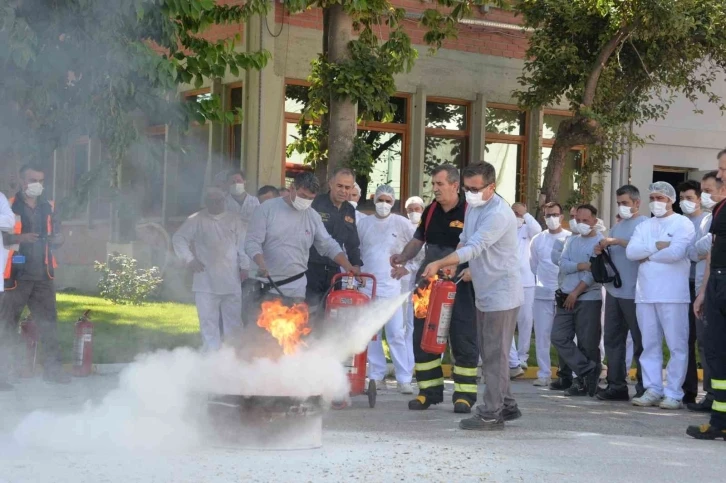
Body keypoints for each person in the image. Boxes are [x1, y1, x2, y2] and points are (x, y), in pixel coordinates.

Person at [422, 161, 523, 430]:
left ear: (492, 187)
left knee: (493, 354)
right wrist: (453, 263)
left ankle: (491, 413)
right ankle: (508, 404)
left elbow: (476, 247)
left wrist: (440, 262)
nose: (470, 193)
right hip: (485, 290)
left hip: (501, 293)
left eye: (476, 188)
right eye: (467, 188)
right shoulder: (475, 208)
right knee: (494, 351)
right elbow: (465, 239)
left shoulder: (499, 213)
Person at [390, 164, 479, 414]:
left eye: (439, 184)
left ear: (454, 185)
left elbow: (482, 246)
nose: (435, 189)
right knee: (423, 337)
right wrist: (402, 257)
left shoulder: (471, 212)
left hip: (460, 284)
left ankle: (464, 395)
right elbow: (418, 241)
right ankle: (428, 392)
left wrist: (473, 270)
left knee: (463, 338)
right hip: (428, 284)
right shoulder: (430, 211)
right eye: (433, 184)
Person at [0, 165, 70, 389]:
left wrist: (58, 239)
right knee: (6, 325)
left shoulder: (49, 206)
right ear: (22, 181)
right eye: (32, 179)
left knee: (49, 324)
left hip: (43, 274)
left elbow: (58, 235)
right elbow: (4, 239)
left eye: (40, 180)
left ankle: (53, 370)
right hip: (16, 274)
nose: (36, 184)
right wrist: (23, 238)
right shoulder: (9, 206)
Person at [627, 181, 694, 409]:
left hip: (673, 294)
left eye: (661, 198)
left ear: (671, 200)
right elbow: (631, 252)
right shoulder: (644, 225)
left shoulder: (682, 223)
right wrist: (658, 246)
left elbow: (676, 252)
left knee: (677, 345)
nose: (656, 202)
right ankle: (653, 389)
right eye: (653, 198)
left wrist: (647, 252)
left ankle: (674, 392)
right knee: (649, 344)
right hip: (645, 294)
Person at [245, 172, 360, 303]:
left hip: (295, 289)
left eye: (310, 198)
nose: (306, 201)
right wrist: (260, 263)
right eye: (303, 196)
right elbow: (252, 242)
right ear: (292, 188)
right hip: (264, 286)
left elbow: (328, 245)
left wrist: (347, 265)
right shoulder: (267, 209)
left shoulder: (313, 216)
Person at [172, 187, 247, 351]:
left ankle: (233, 356)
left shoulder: (234, 219)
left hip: (231, 278)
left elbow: (243, 245)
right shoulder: (196, 219)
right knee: (207, 321)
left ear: (224, 201)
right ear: (206, 203)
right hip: (205, 280)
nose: (216, 204)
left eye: (219, 200)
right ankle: (211, 359)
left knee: (233, 322)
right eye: (212, 201)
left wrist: (245, 266)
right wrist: (189, 259)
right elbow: (179, 238)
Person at [359, 185, 414, 394]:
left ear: (394, 202)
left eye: (388, 201)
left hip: (392, 288)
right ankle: (376, 376)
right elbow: (354, 251)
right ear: (374, 200)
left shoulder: (402, 223)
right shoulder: (363, 224)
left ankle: (404, 378)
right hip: (368, 286)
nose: (384, 204)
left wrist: (406, 268)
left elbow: (418, 248)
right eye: (380, 199)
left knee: (396, 334)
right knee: (372, 335)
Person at [594, 185, 647, 401]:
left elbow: (643, 248)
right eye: (619, 203)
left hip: (636, 293)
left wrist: (615, 242)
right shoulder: (617, 227)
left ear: (636, 203)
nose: (622, 207)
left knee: (640, 341)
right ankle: (616, 385)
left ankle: (646, 385)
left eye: (625, 203)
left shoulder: (644, 224)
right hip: (615, 291)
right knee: (613, 340)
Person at [689, 149, 726, 439]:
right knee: (715, 352)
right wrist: (703, 292)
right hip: (716, 285)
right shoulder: (720, 208)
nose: (720, 174)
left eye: (724, 169)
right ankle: (719, 422)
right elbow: (713, 251)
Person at [551, 204, 604, 397]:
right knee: (558, 336)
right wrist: (582, 265)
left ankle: (584, 383)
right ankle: (587, 370)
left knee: (587, 342)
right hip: (565, 296)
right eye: (578, 220)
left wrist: (576, 292)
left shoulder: (600, 242)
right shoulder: (572, 241)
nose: (581, 224)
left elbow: (594, 273)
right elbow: (563, 264)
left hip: (587, 297)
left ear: (595, 221)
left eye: (585, 221)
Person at [305, 168, 362, 314]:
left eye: (347, 187)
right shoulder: (315, 203)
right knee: (309, 314)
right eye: (340, 186)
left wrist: (356, 266)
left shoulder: (349, 210)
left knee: (332, 314)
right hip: (311, 268)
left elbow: (352, 243)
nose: (343, 191)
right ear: (331, 184)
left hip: (335, 272)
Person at [529, 202, 571, 387]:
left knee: (566, 335)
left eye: (555, 214)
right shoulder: (537, 240)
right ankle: (544, 373)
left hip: (564, 293)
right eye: (548, 215)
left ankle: (568, 374)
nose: (551, 218)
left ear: (562, 217)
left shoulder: (570, 238)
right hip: (542, 293)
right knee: (542, 335)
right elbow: (534, 266)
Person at [678, 179, 709, 405]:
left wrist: (693, 251)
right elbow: (688, 252)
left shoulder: (707, 221)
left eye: (689, 198)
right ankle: (688, 390)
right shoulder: (679, 223)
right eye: (682, 199)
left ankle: (711, 393)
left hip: (701, 285)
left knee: (705, 342)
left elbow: (699, 251)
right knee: (684, 339)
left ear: (699, 199)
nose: (685, 202)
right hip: (681, 286)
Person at [509, 202, 541, 376]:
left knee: (526, 321)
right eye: (514, 213)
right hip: (509, 281)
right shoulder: (506, 229)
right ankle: (513, 359)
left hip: (527, 281)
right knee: (509, 322)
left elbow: (537, 230)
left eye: (518, 213)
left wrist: (526, 215)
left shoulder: (527, 230)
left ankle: (522, 357)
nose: (516, 216)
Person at [401, 196, 426, 379]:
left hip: (421, 284)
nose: (414, 212)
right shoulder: (402, 228)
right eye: (410, 209)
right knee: (404, 327)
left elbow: (422, 257)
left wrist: (409, 268)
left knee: (419, 326)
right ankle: (407, 368)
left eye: (417, 209)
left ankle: (418, 365)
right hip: (402, 286)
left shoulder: (427, 230)